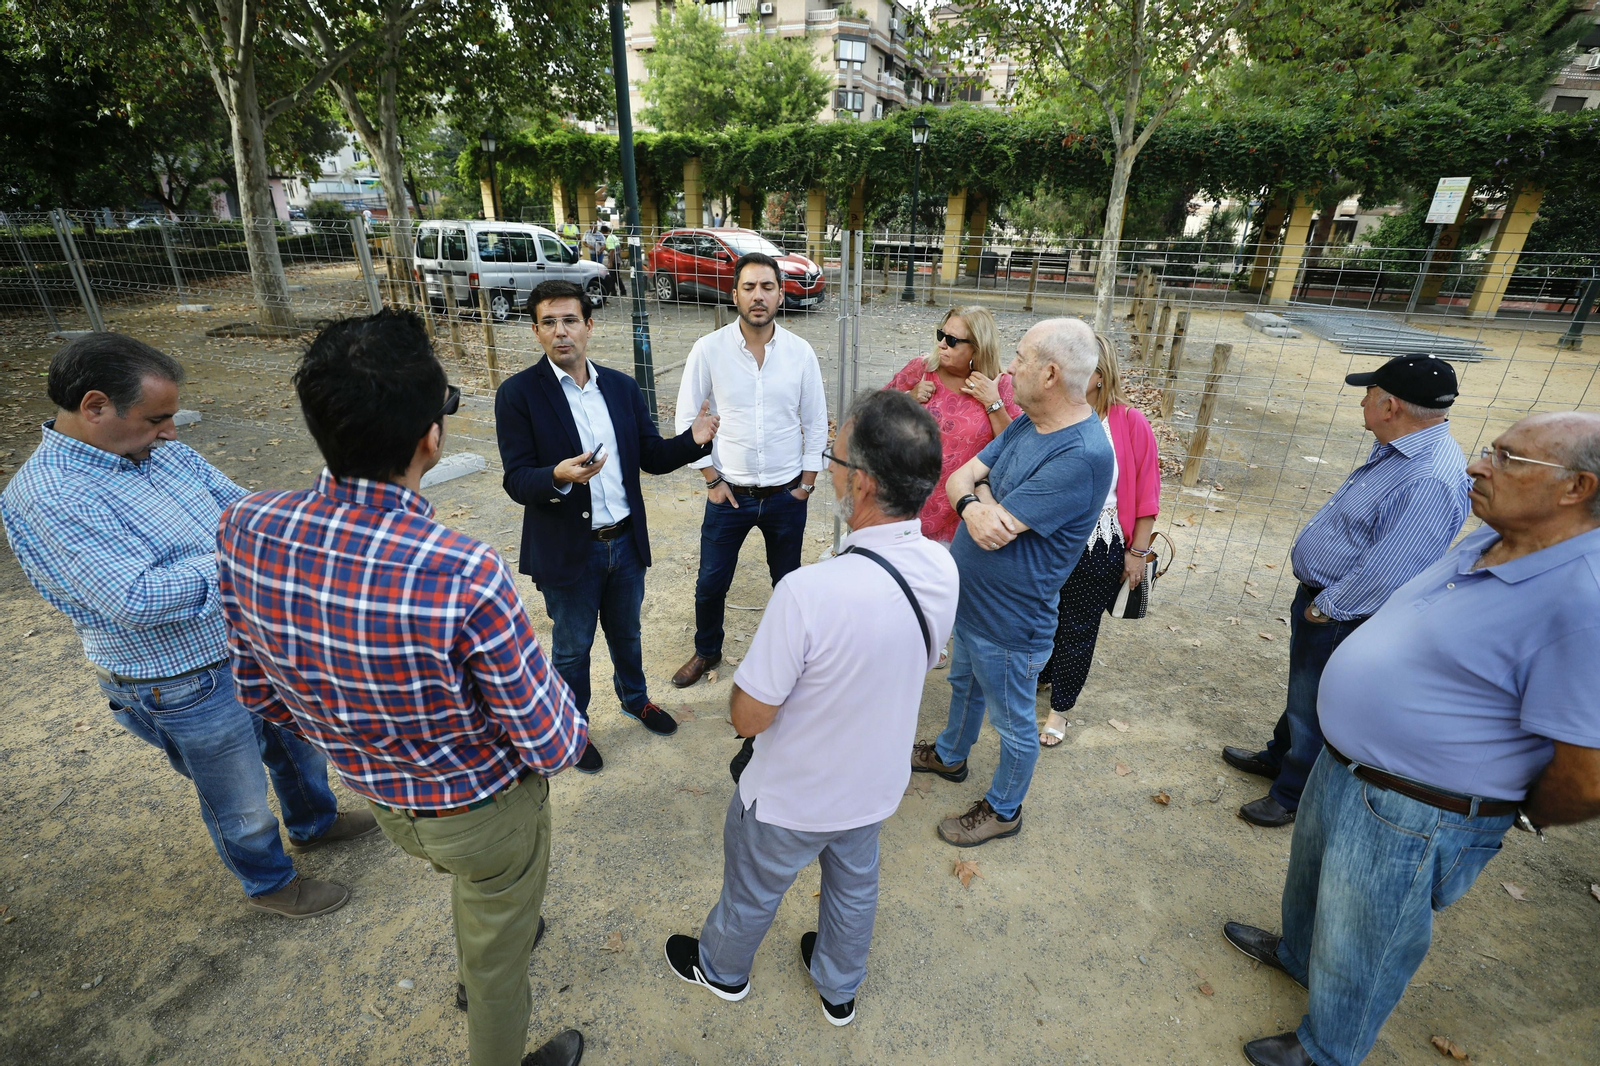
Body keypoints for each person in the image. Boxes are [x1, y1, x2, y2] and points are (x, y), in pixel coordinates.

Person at [215, 309, 588, 1066]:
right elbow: (551, 742)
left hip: (382, 801)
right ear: (431, 437)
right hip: (481, 811)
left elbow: (257, 691)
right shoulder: (460, 570)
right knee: (496, 954)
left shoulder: (244, 525)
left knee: (480, 899)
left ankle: (490, 941)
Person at [1224, 411, 1600, 1066]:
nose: (1479, 464)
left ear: (1577, 488)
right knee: (1314, 890)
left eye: (1510, 458)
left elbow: (1587, 776)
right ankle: (1296, 956)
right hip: (1347, 767)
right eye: (1490, 450)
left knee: (1367, 940)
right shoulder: (1492, 538)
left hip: (1419, 808)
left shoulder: (1583, 598)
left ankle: (1329, 1049)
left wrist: (1500, 810)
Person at [0, 333, 363, 919]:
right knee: (237, 796)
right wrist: (234, 557)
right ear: (95, 407)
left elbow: (240, 507)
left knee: (295, 744)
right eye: (157, 417)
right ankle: (269, 881)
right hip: (180, 680)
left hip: (245, 641)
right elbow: (137, 596)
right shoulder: (49, 496)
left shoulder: (160, 450)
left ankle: (315, 822)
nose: (171, 429)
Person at [665, 390, 956, 1025]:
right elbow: (928, 660)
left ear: (864, 484)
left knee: (752, 889)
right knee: (854, 890)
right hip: (874, 784)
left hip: (791, 793)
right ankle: (838, 986)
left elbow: (749, 718)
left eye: (836, 457)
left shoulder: (808, 592)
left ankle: (723, 970)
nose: (828, 467)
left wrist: (747, 681)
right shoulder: (940, 567)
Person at [1222, 355, 1470, 827]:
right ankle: (1281, 755)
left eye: (1369, 394)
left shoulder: (1428, 476)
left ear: (1390, 406)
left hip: (1343, 610)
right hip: (1329, 599)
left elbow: (1392, 567)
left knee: (1319, 702)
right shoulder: (1404, 448)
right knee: (1306, 694)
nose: (1362, 401)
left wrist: (1326, 608)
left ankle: (1294, 793)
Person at [495, 280, 719, 775]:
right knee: (572, 649)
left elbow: (653, 457)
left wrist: (693, 439)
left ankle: (635, 699)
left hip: (623, 541)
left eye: (570, 320)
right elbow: (516, 478)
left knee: (627, 634)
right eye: (548, 323)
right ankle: (573, 730)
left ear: (589, 325)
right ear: (535, 331)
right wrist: (556, 475)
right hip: (567, 549)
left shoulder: (619, 386)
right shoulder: (518, 395)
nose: (561, 332)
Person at [910, 317, 1115, 846]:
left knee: (1014, 721)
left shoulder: (1083, 453)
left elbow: (996, 532)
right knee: (963, 685)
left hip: (1011, 618)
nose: (1009, 366)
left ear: (1049, 374)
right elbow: (961, 481)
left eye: (1020, 358)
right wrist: (976, 501)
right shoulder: (1029, 422)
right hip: (974, 602)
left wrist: (978, 498)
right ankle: (952, 756)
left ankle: (1004, 809)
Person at [670, 251, 829, 689]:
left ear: (781, 293)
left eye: (767, 287)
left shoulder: (800, 353)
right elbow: (686, 420)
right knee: (710, 583)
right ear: (734, 293)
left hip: (786, 495)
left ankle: (793, 657)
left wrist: (807, 486)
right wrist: (711, 479)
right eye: (749, 287)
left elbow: (815, 421)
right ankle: (707, 650)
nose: (758, 296)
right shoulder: (709, 350)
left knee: (789, 586)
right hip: (729, 494)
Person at [1040, 334, 1160, 747]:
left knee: (1078, 624)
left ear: (1100, 377)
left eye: (1080, 368)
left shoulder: (1129, 423)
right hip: (1048, 538)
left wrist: (1138, 552)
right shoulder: (1054, 415)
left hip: (1101, 542)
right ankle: (1042, 673)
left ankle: (1060, 708)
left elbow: (1147, 495)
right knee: (1042, 615)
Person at [882, 305, 1019, 544]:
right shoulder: (922, 370)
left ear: (977, 348)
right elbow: (873, 417)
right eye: (941, 335)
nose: (942, 344)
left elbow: (1017, 447)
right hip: (905, 504)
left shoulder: (1000, 385)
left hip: (962, 511)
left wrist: (992, 403)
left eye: (952, 340)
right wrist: (908, 398)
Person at [601, 224, 627, 297]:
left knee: (612, 277)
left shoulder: (609, 238)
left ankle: (613, 292)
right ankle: (623, 291)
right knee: (616, 276)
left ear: (603, 232)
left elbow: (612, 250)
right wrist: (603, 247)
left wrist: (610, 262)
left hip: (614, 259)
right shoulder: (613, 236)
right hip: (618, 259)